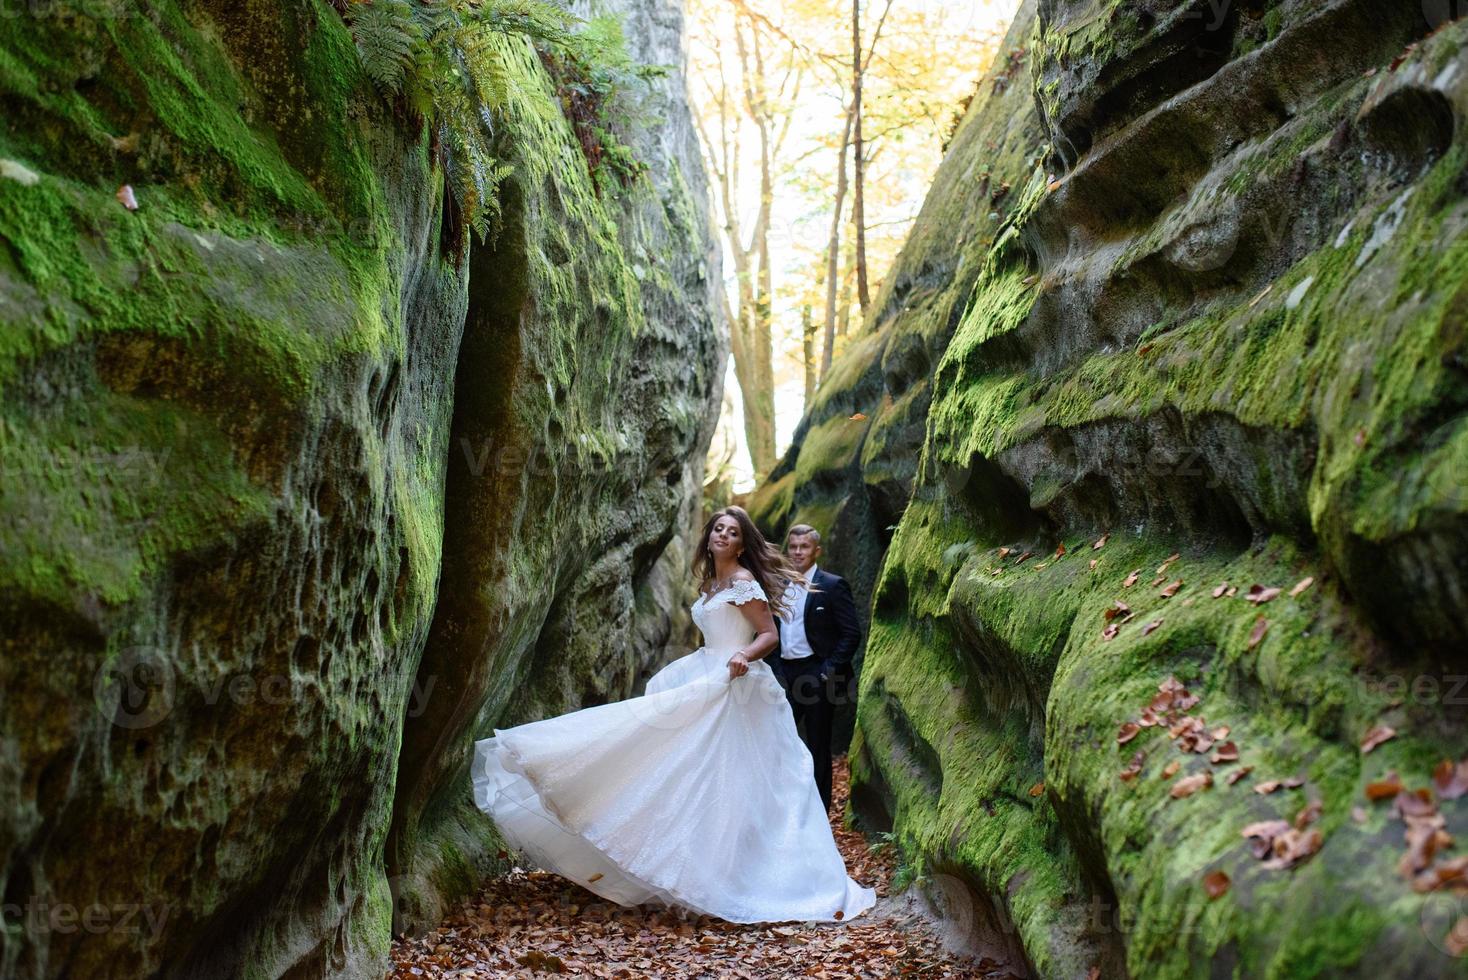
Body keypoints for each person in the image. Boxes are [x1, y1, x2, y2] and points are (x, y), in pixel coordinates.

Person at [470, 505, 876, 924]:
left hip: (734, 684)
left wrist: (742, 654)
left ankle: (739, 871)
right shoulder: (710, 582)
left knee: (733, 778)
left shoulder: (742, 580)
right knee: (672, 763)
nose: (722, 535)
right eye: (718, 528)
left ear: (742, 543)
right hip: (704, 673)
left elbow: (768, 635)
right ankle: (668, 861)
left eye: (733, 532)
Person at [770, 525, 861, 812]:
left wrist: (827, 670)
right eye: (793, 546)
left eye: (804, 547)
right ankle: (783, 807)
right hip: (785, 674)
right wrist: (774, 670)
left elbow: (851, 633)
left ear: (816, 551)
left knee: (818, 745)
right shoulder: (778, 586)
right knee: (777, 739)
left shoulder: (832, 585)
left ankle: (820, 811)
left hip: (817, 673)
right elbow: (771, 630)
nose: (798, 552)